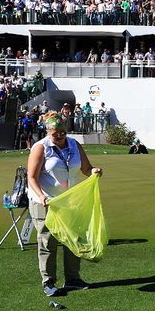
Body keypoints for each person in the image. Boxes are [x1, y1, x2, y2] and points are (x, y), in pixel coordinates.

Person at [26, 112, 101, 297]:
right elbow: (31, 177)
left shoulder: (74, 145)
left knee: (73, 239)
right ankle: (48, 281)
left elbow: (85, 168)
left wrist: (94, 171)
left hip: (70, 201)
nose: (59, 136)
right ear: (47, 131)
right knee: (47, 241)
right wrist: (42, 196)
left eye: (62, 132)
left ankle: (73, 279)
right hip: (46, 202)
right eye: (55, 133)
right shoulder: (40, 147)